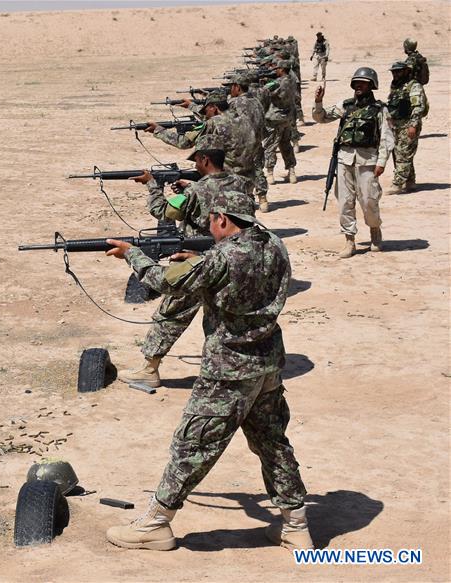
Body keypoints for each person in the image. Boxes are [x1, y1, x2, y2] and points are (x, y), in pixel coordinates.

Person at [103, 189, 312, 552]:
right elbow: (231, 267)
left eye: (212, 220)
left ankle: (155, 523)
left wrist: (131, 254)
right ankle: (296, 526)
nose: (210, 225)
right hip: (267, 364)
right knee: (273, 444)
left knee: (192, 445)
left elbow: (163, 281)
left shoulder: (223, 257)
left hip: (227, 370)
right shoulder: (274, 244)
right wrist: (202, 259)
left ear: (223, 220)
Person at [119, 136, 249, 388]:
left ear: (205, 159)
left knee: (171, 314)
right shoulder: (241, 183)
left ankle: (149, 369)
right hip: (235, 258)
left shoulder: (195, 191)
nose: (196, 166)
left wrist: (152, 185)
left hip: (198, 261)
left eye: (197, 162)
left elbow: (163, 211)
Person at [312, 67, 394, 259]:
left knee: (369, 201)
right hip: (344, 159)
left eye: (363, 83)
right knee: (345, 202)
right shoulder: (345, 105)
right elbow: (320, 117)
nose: (358, 86)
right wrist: (318, 101)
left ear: (371, 85)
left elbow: (387, 138)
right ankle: (349, 240)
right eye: (356, 82)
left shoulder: (380, 109)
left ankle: (375, 230)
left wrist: (381, 162)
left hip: (368, 161)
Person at [143, 92, 256, 196]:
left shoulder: (214, 122)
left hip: (226, 182)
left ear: (214, 108)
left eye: (206, 111)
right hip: (248, 179)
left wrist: (159, 130)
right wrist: (191, 106)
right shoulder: (245, 120)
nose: (205, 116)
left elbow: (184, 142)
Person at [225, 71, 269, 211]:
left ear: (237, 87)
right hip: (257, 143)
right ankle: (263, 198)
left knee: (240, 175)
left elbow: (222, 120)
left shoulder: (234, 103)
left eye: (232, 86)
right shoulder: (256, 101)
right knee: (257, 170)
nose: (230, 89)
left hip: (241, 146)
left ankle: (246, 200)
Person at [386, 61, 428, 194]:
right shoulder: (396, 86)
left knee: (403, 153)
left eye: (398, 71)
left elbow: (418, 107)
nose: (395, 74)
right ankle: (410, 182)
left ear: (405, 71)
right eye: (394, 72)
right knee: (398, 152)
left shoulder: (414, 86)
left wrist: (413, 125)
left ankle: (397, 184)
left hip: (408, 124)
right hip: (396, 125)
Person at [262, 60, 298, 185]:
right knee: (286, 144)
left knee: (270, 145)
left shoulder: (277, 83)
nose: (275, 70)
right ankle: (292, 172)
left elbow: (265, 91)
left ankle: (270, 173)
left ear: (282, 69)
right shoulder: (293, 80)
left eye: (277, 68)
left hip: (274, 118)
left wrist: (263, 82)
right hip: (288, 118)